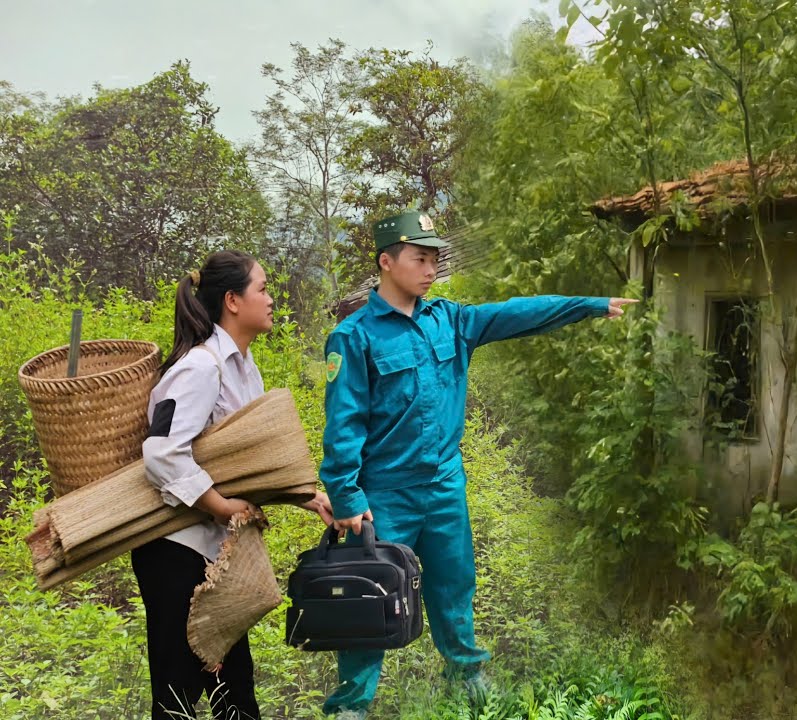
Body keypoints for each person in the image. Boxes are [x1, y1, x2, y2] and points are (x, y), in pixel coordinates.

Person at [319, 211, 637, 717]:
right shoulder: (354, 337)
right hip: (385, 494)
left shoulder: (450, 320)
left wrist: (591, 306)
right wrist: (348, 498)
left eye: (434, 259)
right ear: (386, 261)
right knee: (370, 599)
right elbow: (343, 426)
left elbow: (521, 313)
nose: (430, 269)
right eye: (419, 258)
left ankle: (468, 682)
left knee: (454, 585)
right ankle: (351, 707)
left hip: (444, 485)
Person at [135, 250, 334, 720]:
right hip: (176, 551)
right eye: (262, 289)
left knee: (233, 687)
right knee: (177, 692)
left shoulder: (245, 368)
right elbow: (161, 453)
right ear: (232, 300)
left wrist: (311, 499)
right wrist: (221, 507)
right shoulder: (201, 367)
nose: (271, 299)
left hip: (214, 555)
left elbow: (252, 463)